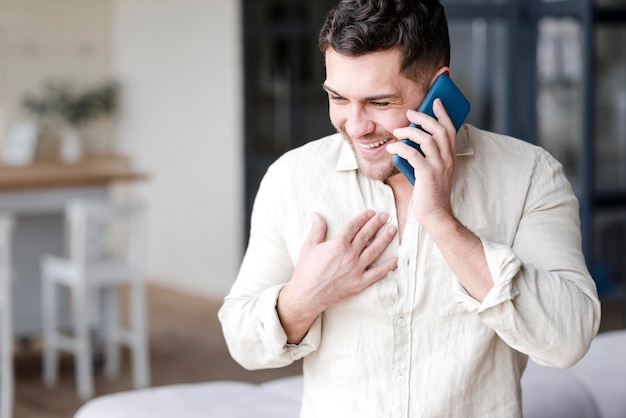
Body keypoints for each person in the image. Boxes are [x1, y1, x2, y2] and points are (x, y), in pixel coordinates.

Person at [218, 0, 601, 416]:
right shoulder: (291, 179)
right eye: (338, 98)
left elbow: (568, 339)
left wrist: (441, 220)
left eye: (380, 103)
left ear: (439, 88)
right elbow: (243, 344)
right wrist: (303, 298)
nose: (356, 125)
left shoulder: (529, 175)